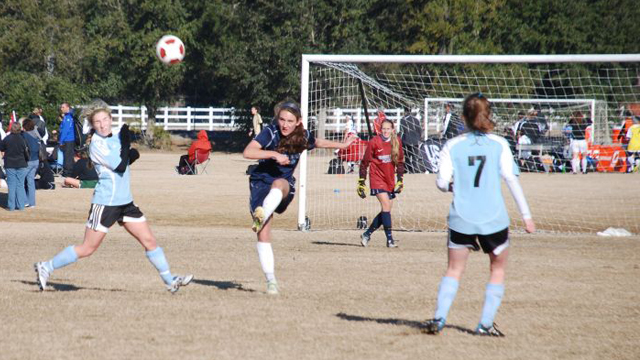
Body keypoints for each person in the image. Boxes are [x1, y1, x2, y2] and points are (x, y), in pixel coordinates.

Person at [34, 101, 192, 293]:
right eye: (97, 122)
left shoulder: (115, 137)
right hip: (106, 202)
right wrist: (126, 145)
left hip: (125, 202)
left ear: (111, 119)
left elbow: (130, 157)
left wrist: (129, 150)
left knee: (149, 241)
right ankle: (46, 267)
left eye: (105, 120)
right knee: (88, 248)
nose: (102, 124)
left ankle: (170, 281)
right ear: (93, 125)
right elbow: (120, 165)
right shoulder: (97, 145)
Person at [424, 92, 536, 336]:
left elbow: (442, 183)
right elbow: (511, 180)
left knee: (454, 270)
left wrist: (455, 186)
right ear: (489, 116)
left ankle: (439, 317)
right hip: (493, 218)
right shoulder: (500, 144)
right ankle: (485, 324)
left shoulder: (452, 145)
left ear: (463, 117)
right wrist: (526, 216)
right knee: (497, 269)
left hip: (461, 217)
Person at [243, 100, 356, 295]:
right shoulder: (270, 132)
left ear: (298, 122)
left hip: (282, 186)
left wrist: (343, 144)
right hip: (260, 183)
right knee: (263, 232)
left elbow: (318, 142)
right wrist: (273, 154)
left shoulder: (303, 136)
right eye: (282, 119)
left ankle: (262, 213)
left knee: (280, 183)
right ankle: (271, 281)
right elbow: (248, 152)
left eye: (290, 120)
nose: (285, 124)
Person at [357, 119, 405, 248]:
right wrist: (361, 182)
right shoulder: (374, 142)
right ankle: (390, 240)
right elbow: (364, 163)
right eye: (383, 128)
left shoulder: (396, 142)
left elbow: (400, 162)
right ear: (380, 129)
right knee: (385, 205)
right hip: (376, 178)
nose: (385, 131)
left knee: (386, 209)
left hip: (389, 179)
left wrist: (400, 180)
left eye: (388, 129)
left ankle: (367, 234)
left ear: (392, 130)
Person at [0, 122, 29, 211]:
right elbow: (27, 151)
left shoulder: (7, 139)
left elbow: (2, 148)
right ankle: (21, 206)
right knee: (20, 185)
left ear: (11, 129)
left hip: (10, 164)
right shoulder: (23, 139)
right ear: (20, 128)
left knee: (11, 186)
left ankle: (11, 206)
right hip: (22, 164)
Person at [21, 118, 41, 208]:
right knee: (30, 182)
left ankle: (25, 201)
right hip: (36, 160)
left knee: (20, 181)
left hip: (28, 160)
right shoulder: (35, 134)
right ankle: (32, 202)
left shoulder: (24, 135)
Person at [59, 102, 76, 177]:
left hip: (68, 139)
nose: (61, 109)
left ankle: (68, 172)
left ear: (67, 107)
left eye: (63, 107)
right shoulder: (66, 116)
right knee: (67, 156)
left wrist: (61, 140)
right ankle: (68, 171)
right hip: (68, 139)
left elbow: (65, 130)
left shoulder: (68, 117)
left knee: (68, 156)